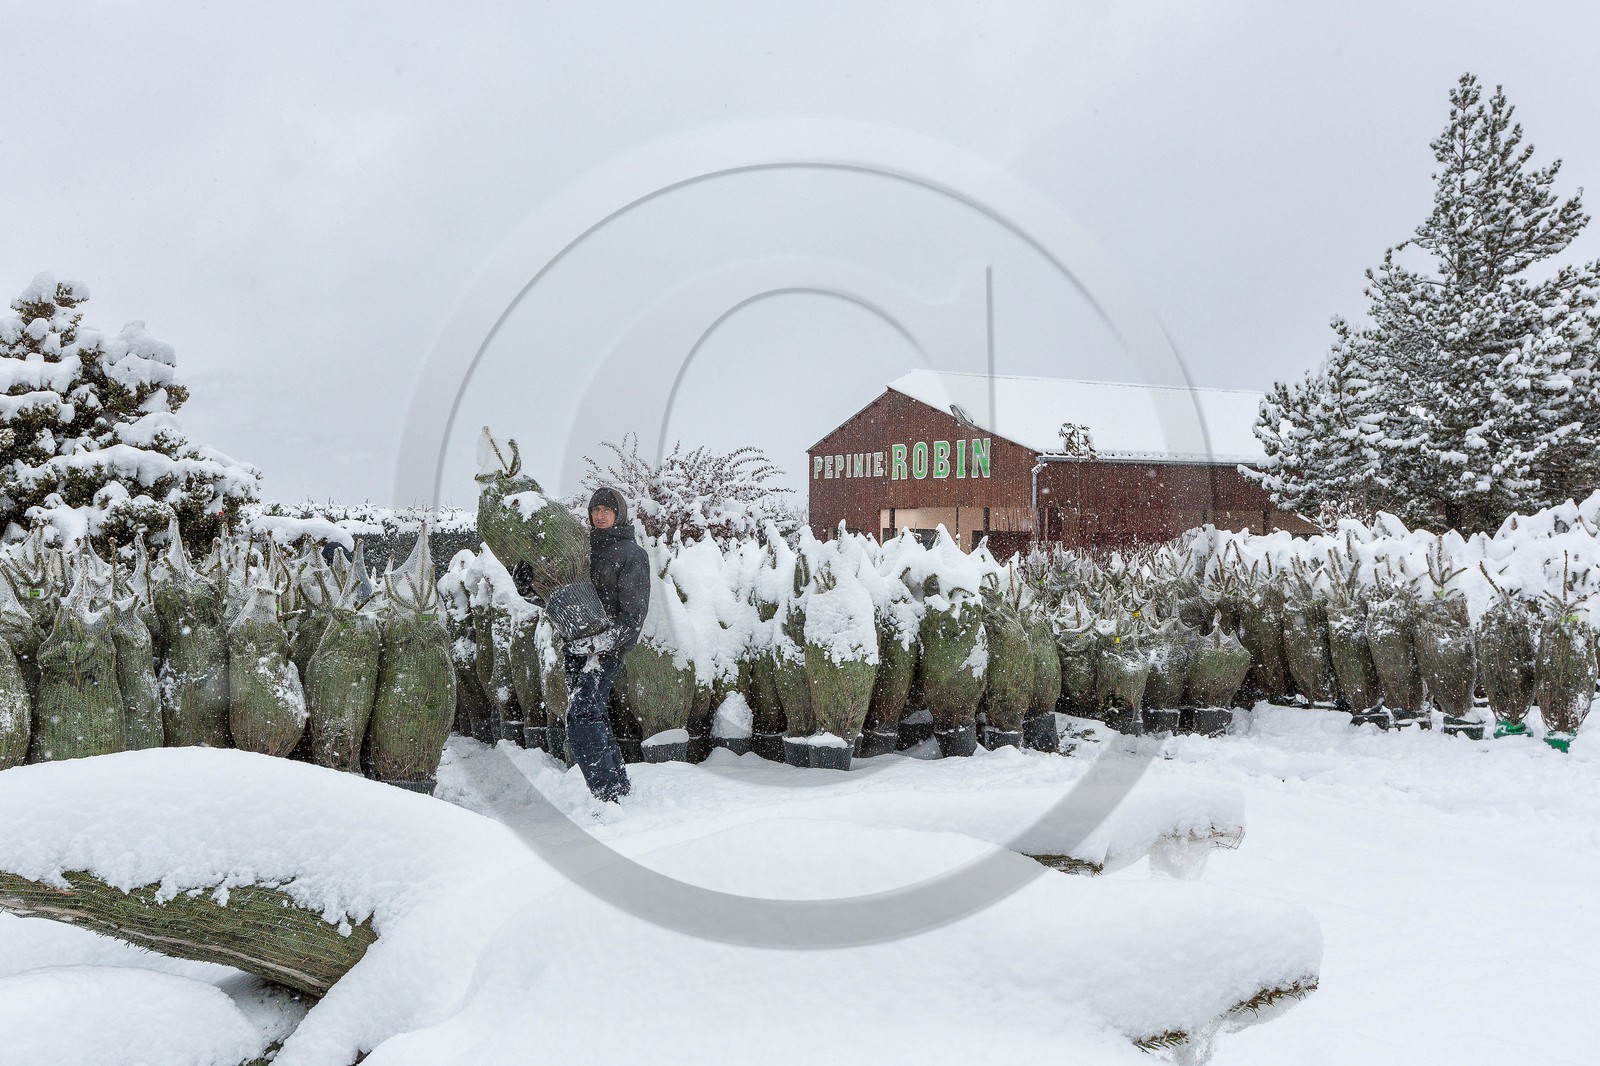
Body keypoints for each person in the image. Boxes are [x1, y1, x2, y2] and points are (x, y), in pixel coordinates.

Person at [562, 486, 648, 802]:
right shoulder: (581, 551)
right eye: (595, 510)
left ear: (618, 514)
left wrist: (598, 644)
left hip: (604, 653)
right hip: (574, 648)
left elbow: (633, 618)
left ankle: (606, 793)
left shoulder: (630, 555)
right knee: (593, 714)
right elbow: (554, 596)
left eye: (606, 510)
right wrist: (525, 583)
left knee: (581, 716)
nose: (599, 515)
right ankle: (617, 788)